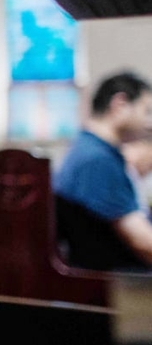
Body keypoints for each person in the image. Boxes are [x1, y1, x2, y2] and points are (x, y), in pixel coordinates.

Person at [54, 71, 152, 270]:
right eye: (147, 111)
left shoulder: (90, 149)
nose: (149, 123)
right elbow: (142, 242)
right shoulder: (97, 159)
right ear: (120, 104)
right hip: (118, 286)